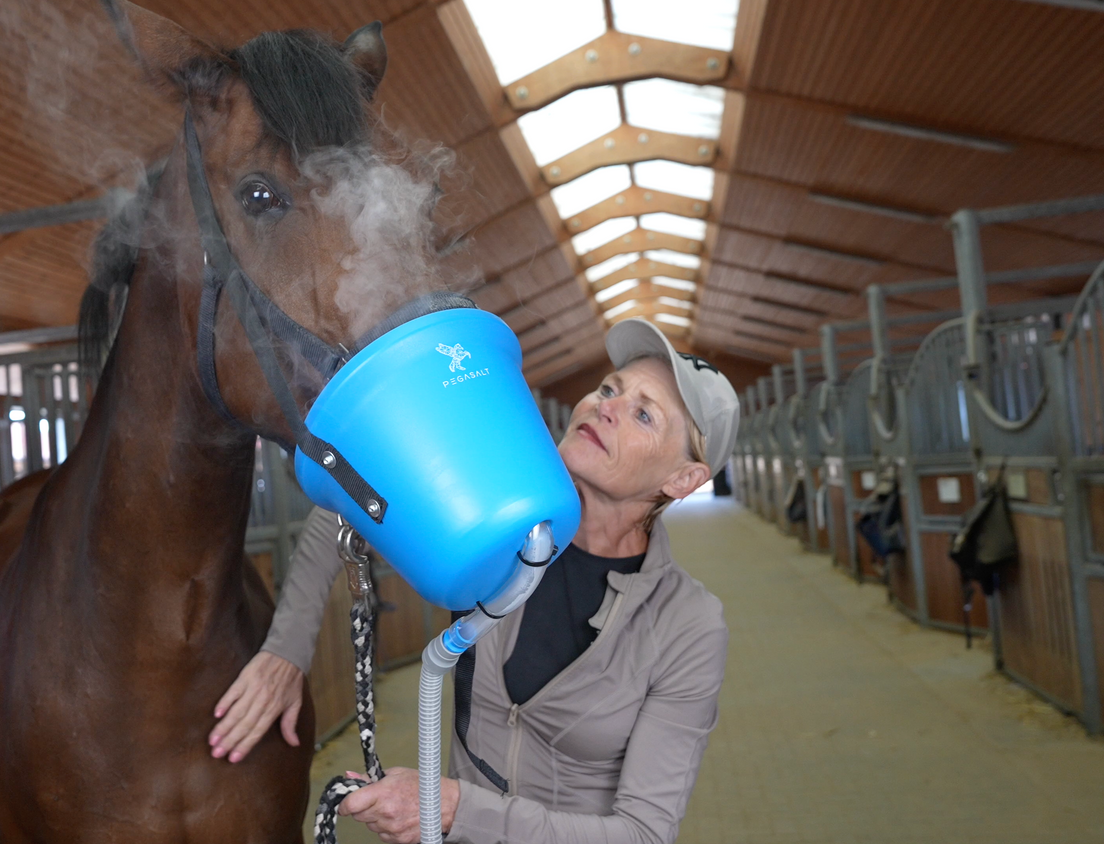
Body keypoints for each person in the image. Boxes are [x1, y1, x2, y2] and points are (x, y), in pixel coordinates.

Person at [209, 317, 738, 844]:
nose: (607, 407)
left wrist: (454, 809)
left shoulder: (687, 624)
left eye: (643, 414)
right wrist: (286, 653)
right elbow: (352, 501)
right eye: (608, 389)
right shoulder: (499, 510)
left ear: (683, 479)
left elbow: (644, 833)